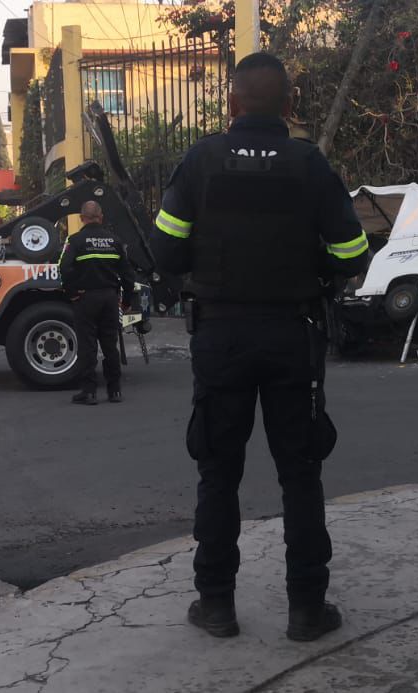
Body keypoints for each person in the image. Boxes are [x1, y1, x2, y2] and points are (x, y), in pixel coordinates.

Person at [149, 52, 371, 642]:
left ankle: (216, 604)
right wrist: (314, 267)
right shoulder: (308, 163)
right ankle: (306, 611)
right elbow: (353, 254)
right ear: (290, 106)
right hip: (292, 335)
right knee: (300, 474)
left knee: (218, 472)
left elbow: (165, 252)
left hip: (220, 336)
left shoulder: (201, 162)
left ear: (230, 104)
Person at [57, 200, 134, 405]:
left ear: (82, 218)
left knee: (87, 346)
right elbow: (128, 276)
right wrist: (126, 302)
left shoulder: (74, 240)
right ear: (101, 217)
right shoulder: (115, 241)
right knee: (110, 345)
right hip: (110, 298)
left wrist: (72, 292)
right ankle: (114, 391)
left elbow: (63, 269)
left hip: (85, 298)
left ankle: (89, 392)